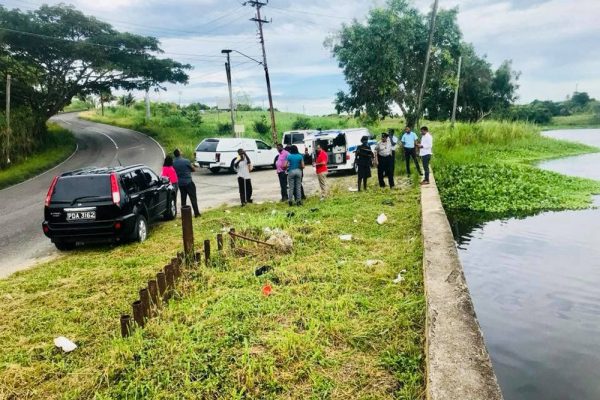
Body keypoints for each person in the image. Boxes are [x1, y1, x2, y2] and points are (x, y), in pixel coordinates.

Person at [173, 148, 201, 217]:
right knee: (193, 198)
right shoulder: (186, 161)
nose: (181, 152)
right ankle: (196, 213)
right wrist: (188, 170)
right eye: (181, 151)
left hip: (180, 183)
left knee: (183, 199)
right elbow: (193, 169)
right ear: (180, 153)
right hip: (188, 182)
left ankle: (184, 214)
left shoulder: (173, 163)